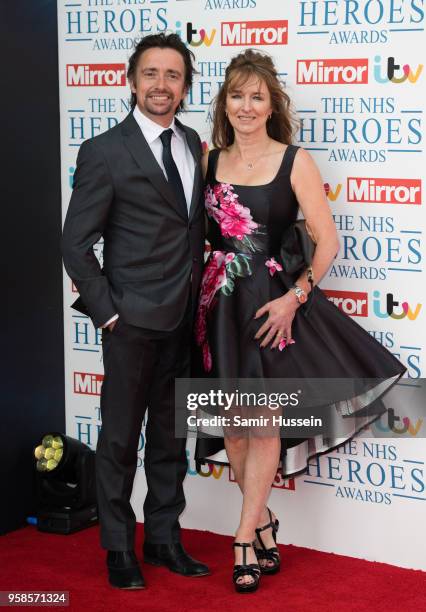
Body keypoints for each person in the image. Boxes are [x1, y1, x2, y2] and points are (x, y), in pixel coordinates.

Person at [194, 49, 405, 593]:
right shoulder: (207, 160)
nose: (245, 105)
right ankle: (263, 523)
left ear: (270, 105)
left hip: (272, 310)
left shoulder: (294, 160)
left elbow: (327, 241)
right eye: (236, 95)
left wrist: (295, 297)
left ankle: (242, 538)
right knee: (234, 433)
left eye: (256, 96)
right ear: (226, 102)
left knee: (261, 425)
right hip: (219, 308)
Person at [62, 33, 209, 589]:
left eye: (173, 76)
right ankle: (119, 547)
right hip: (129, 323)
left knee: (172, 441)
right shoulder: (103, 150)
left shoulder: (193, 143)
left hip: (183, 321)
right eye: (151, 73)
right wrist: (107, 313)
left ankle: (165, 540)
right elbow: (76, 243)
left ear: (185, 86)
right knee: (120, 439)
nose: (161, 86)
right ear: (131, 80)